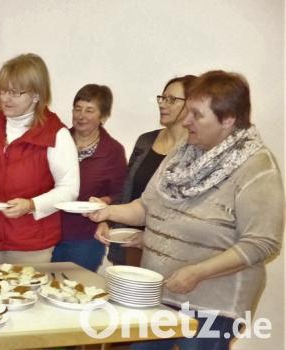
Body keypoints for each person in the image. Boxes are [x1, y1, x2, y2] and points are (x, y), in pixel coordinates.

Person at [89, 70, 283, 350]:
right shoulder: (182, 150)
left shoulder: (257, 167)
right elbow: (146, 207)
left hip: (213, 307)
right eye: (187, 111)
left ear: (228, 119)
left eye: (197, 114)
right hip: (159, 294)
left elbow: (262, 244)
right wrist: (107, 213)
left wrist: (199, 272)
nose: (186, 120)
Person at [0, 53, 79, 265]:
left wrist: (32, 205)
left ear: (36, 94)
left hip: (32, 243)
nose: (5, 98)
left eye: (15, 92)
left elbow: (69, 189)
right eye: (4, 90)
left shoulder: (55, 134)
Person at [100, 75, 196, 267]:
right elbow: (126, 187)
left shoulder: (195, 150)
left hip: (169, 252)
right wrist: (108, 218)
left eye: (172, 99)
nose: (162, 104)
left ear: (192, 105)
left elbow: (189, 211)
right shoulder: (145, 141)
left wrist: (152, 237)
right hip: (128, 241)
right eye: (162, 98)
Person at [50, 84, 126, 272]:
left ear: (103, 116)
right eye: (77, 109)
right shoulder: (55, 141)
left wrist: (104, 202)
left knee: (77, 291)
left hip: (85, 238)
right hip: (46, 231)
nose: (81, 116)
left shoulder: (113, 151)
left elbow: (119, 193)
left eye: (89, 110)